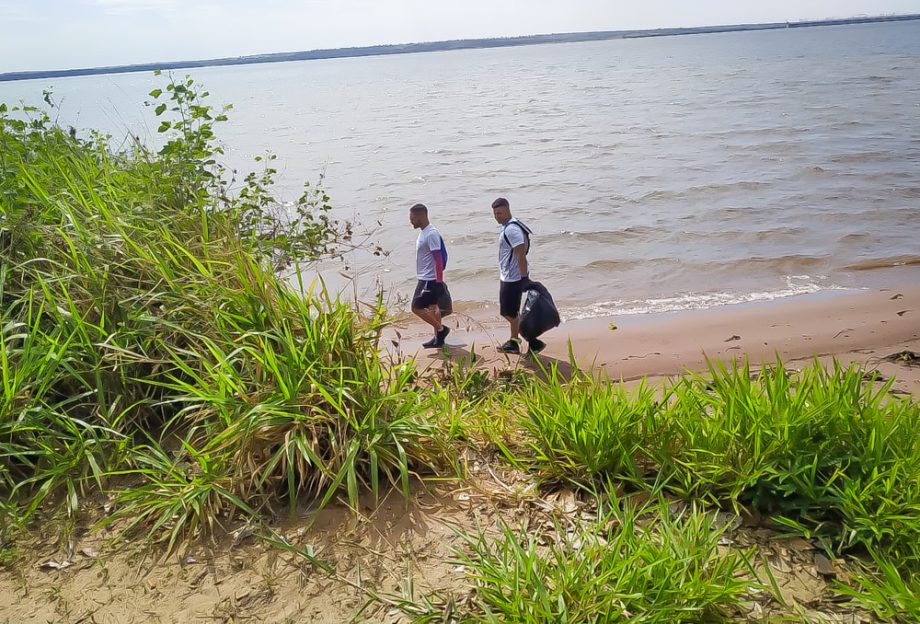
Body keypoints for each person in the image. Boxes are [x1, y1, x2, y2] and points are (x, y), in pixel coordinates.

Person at [491, 197, 545, 354]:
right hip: (511, 276)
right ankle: (514, 342)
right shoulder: (510, 226)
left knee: (508, 313)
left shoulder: (512, 230)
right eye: (495, 214)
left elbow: (521, 254)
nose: (497, 217)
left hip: (513, 278)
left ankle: (532, 341)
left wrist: (523, 279)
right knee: (512, 312)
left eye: (500, 213)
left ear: (508, 210)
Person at [409, 203, 450, 348]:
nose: (411, 221)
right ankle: (438, 339)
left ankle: (441, 330)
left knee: (416, 307)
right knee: (433, 308)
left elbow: (438, 259)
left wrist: (439, 281)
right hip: (425, 277)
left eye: (412, 218)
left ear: (421, 216)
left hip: (430, 279)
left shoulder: (431, 234)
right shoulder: (424, 232)